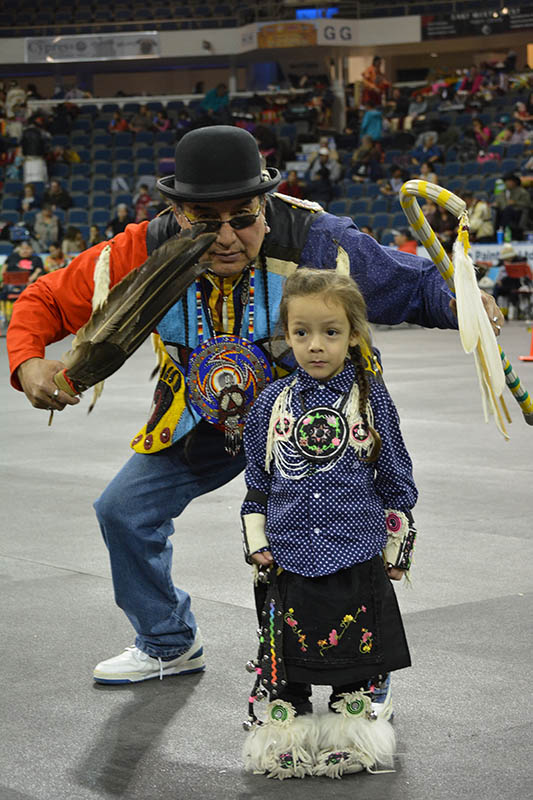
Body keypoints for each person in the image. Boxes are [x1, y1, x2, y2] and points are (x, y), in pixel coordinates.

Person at [6, 125, 503, 689]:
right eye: (204, 219)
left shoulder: (317, 240)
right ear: (178, 212)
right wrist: (28, 362)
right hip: (200, 420)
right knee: (122, 510)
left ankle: (359, 676)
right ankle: (168, 641)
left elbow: (410, 285)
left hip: (313, 421)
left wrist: (466, 301)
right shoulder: (142, 249)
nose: (225, 236)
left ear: (264, 206)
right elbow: (45, 297)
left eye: (241, 218)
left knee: (322, 536)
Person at [241, 268, 416, 778]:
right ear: (287, 335)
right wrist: (256, 543)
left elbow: (396, 474)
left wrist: (395, 549)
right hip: (287, 557)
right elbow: (258, 481)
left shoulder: (371, 398)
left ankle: (353, 730)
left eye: (331, 332)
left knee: (355, 659)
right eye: (302, 333)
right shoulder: (270, 405)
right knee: (285, 658)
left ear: (354, 334)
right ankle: (284, 729)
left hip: (356, 553)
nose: (316, 345)